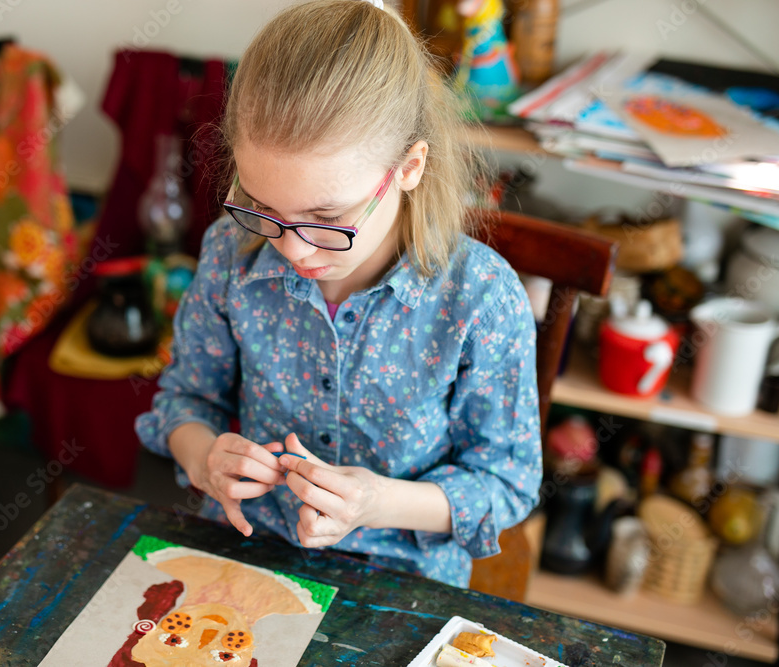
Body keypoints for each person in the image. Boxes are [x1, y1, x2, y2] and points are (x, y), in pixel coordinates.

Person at [136, 0, 542, 588]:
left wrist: (376, 502)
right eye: (263, 209)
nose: (294, 250)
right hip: (249, 550)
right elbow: (184, 400)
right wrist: (204, 459)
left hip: (402, 576)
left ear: (408, 167)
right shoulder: (231, 252)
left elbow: (506, 485)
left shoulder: (481, 300)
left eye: (325, 218)